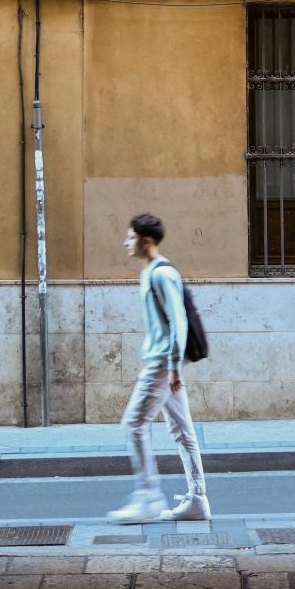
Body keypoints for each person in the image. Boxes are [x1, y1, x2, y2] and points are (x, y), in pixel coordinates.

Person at [108, 212, 210, 522]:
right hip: (166, 362)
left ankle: (148, 497)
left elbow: (178, 321)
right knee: (182, 431)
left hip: (161, 364)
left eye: (130, 237)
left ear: (145, 241)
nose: (126, 242)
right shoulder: (151, 271)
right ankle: (197, 499)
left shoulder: (161, 274)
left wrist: (174, 366)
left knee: (134, 424)